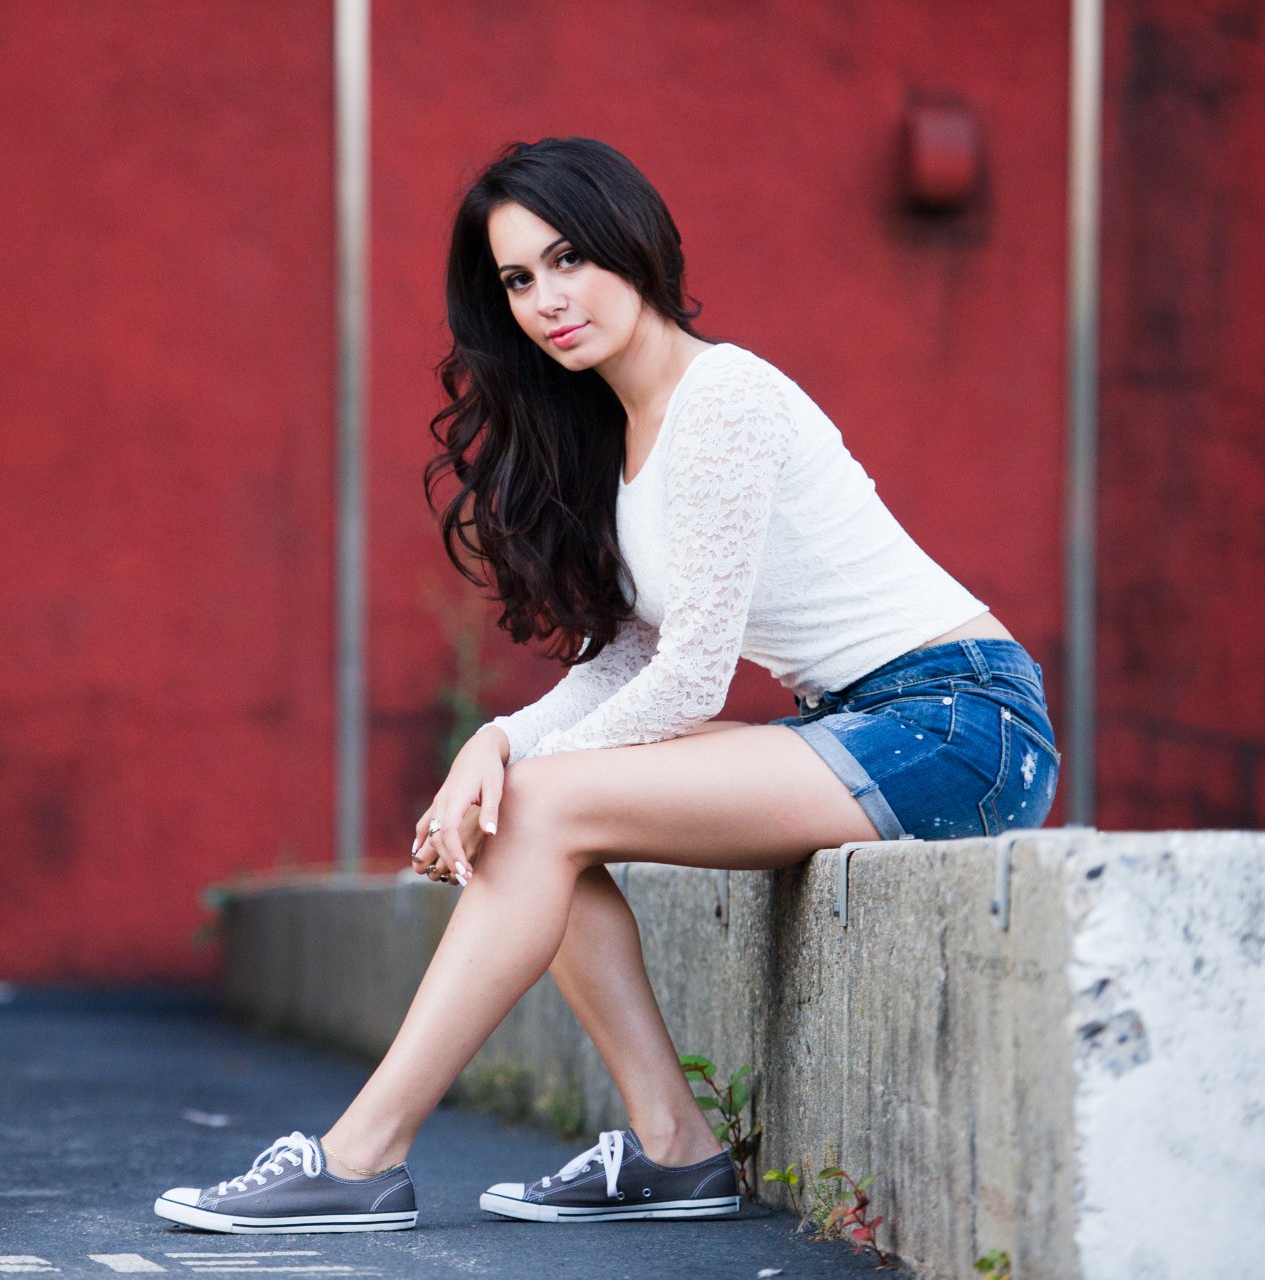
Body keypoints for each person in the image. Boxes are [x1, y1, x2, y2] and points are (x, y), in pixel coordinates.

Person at [153, 137, 1060, 1234]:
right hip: (866, 721)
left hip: (960, 721)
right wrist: (490, 741)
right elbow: (630, 655)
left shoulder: (721, 394)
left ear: (634, 240)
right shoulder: (626, 430)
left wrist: (512, 774)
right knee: (536, 811)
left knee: (536, 804)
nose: (548, 300)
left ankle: (360, 1154)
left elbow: (693, 674)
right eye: (520, 280)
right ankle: (674, 1148)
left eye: (569, 258)